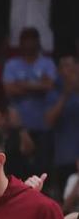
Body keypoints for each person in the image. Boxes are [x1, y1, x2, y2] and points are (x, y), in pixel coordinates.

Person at [3, 27, 57, 176]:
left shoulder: (47, 63)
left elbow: (49, 86)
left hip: (43, 126)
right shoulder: (12, 64)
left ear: (38, 42)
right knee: (18, 171)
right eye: (26, 40)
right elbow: (9, 89)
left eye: (32, 39)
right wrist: (38, 86)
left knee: (42, 171)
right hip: (19, 127)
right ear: (20, 43)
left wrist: (21, 84)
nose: (29, 43)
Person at [45, 54, 79, 196]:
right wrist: (66, 94)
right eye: (64, 66)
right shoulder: (54, 94)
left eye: (70, 65)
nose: (68, 69)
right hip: (66, 158)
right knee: (67, 202)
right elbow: (49, 121)